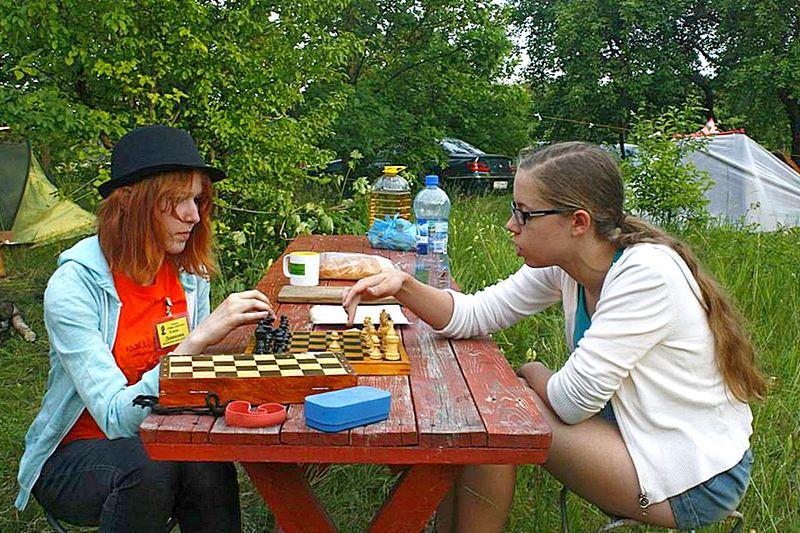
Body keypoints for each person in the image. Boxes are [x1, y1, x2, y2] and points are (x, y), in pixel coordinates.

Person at [342, 142, 765, 532]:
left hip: (692, 479)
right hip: (637, 441)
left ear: (578, 222)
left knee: (493, 422)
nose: (511, 225)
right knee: (484, 414)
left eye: (525, 214)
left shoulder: (645, 275)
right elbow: (473, 314)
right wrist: (402, 285)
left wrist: (532, 371)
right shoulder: (569, 265)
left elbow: (571, 402)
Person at [16, 125, 274, 532]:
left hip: (159, 435)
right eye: (176, 202)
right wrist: (199, 339)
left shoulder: (188, 274)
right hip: (76, 453)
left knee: (206, 460)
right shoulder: (74, 287)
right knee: (152, 465)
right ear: (131, 205)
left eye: (197, 199)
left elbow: (190, 382)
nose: (193, 215)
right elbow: (116, 418)